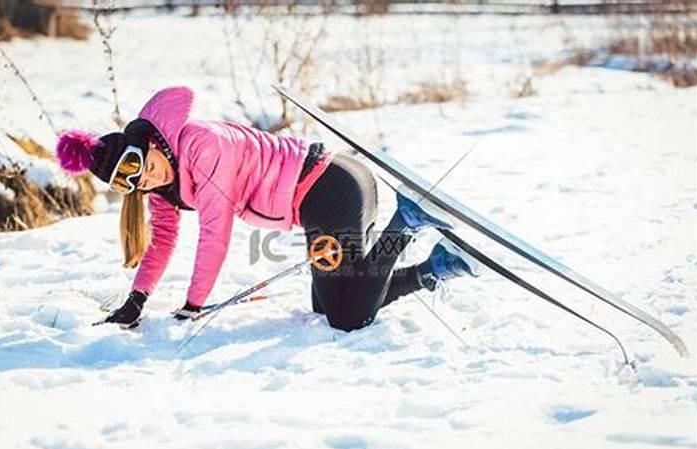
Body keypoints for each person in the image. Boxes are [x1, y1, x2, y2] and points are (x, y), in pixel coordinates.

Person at [56, 86, 478, 331]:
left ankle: (404, 222)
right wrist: (137, 299)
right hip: (334, 192)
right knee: (334, 300)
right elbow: (163, 240)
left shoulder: (202, 144)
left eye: (146, 168)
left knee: (346, 316)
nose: (147, 181)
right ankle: (434, 268)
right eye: (136, 184)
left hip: (329, 190)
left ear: (154, 143)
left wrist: (193, 305)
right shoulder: (163, 185)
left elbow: (214, 233)